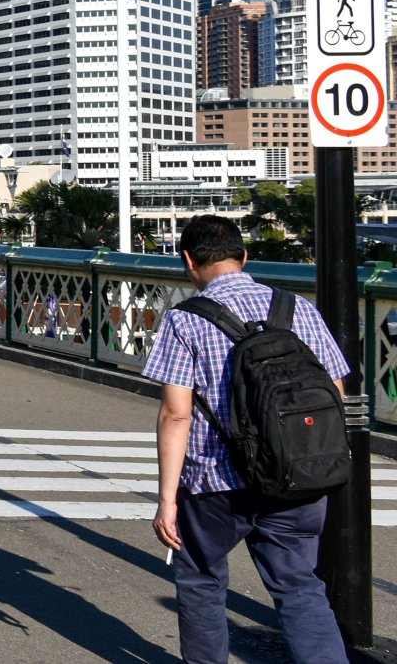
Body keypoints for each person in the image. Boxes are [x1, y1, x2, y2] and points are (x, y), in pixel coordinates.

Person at [143, 214, 350, 663]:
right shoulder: (297, 308)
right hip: (298, 473)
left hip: (217, 481)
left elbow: (176, 416)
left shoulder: (185, 321)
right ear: (244, 257)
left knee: (200, 580)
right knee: (299, 588)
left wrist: (166, 501)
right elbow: (334, 395)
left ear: (188, 260)